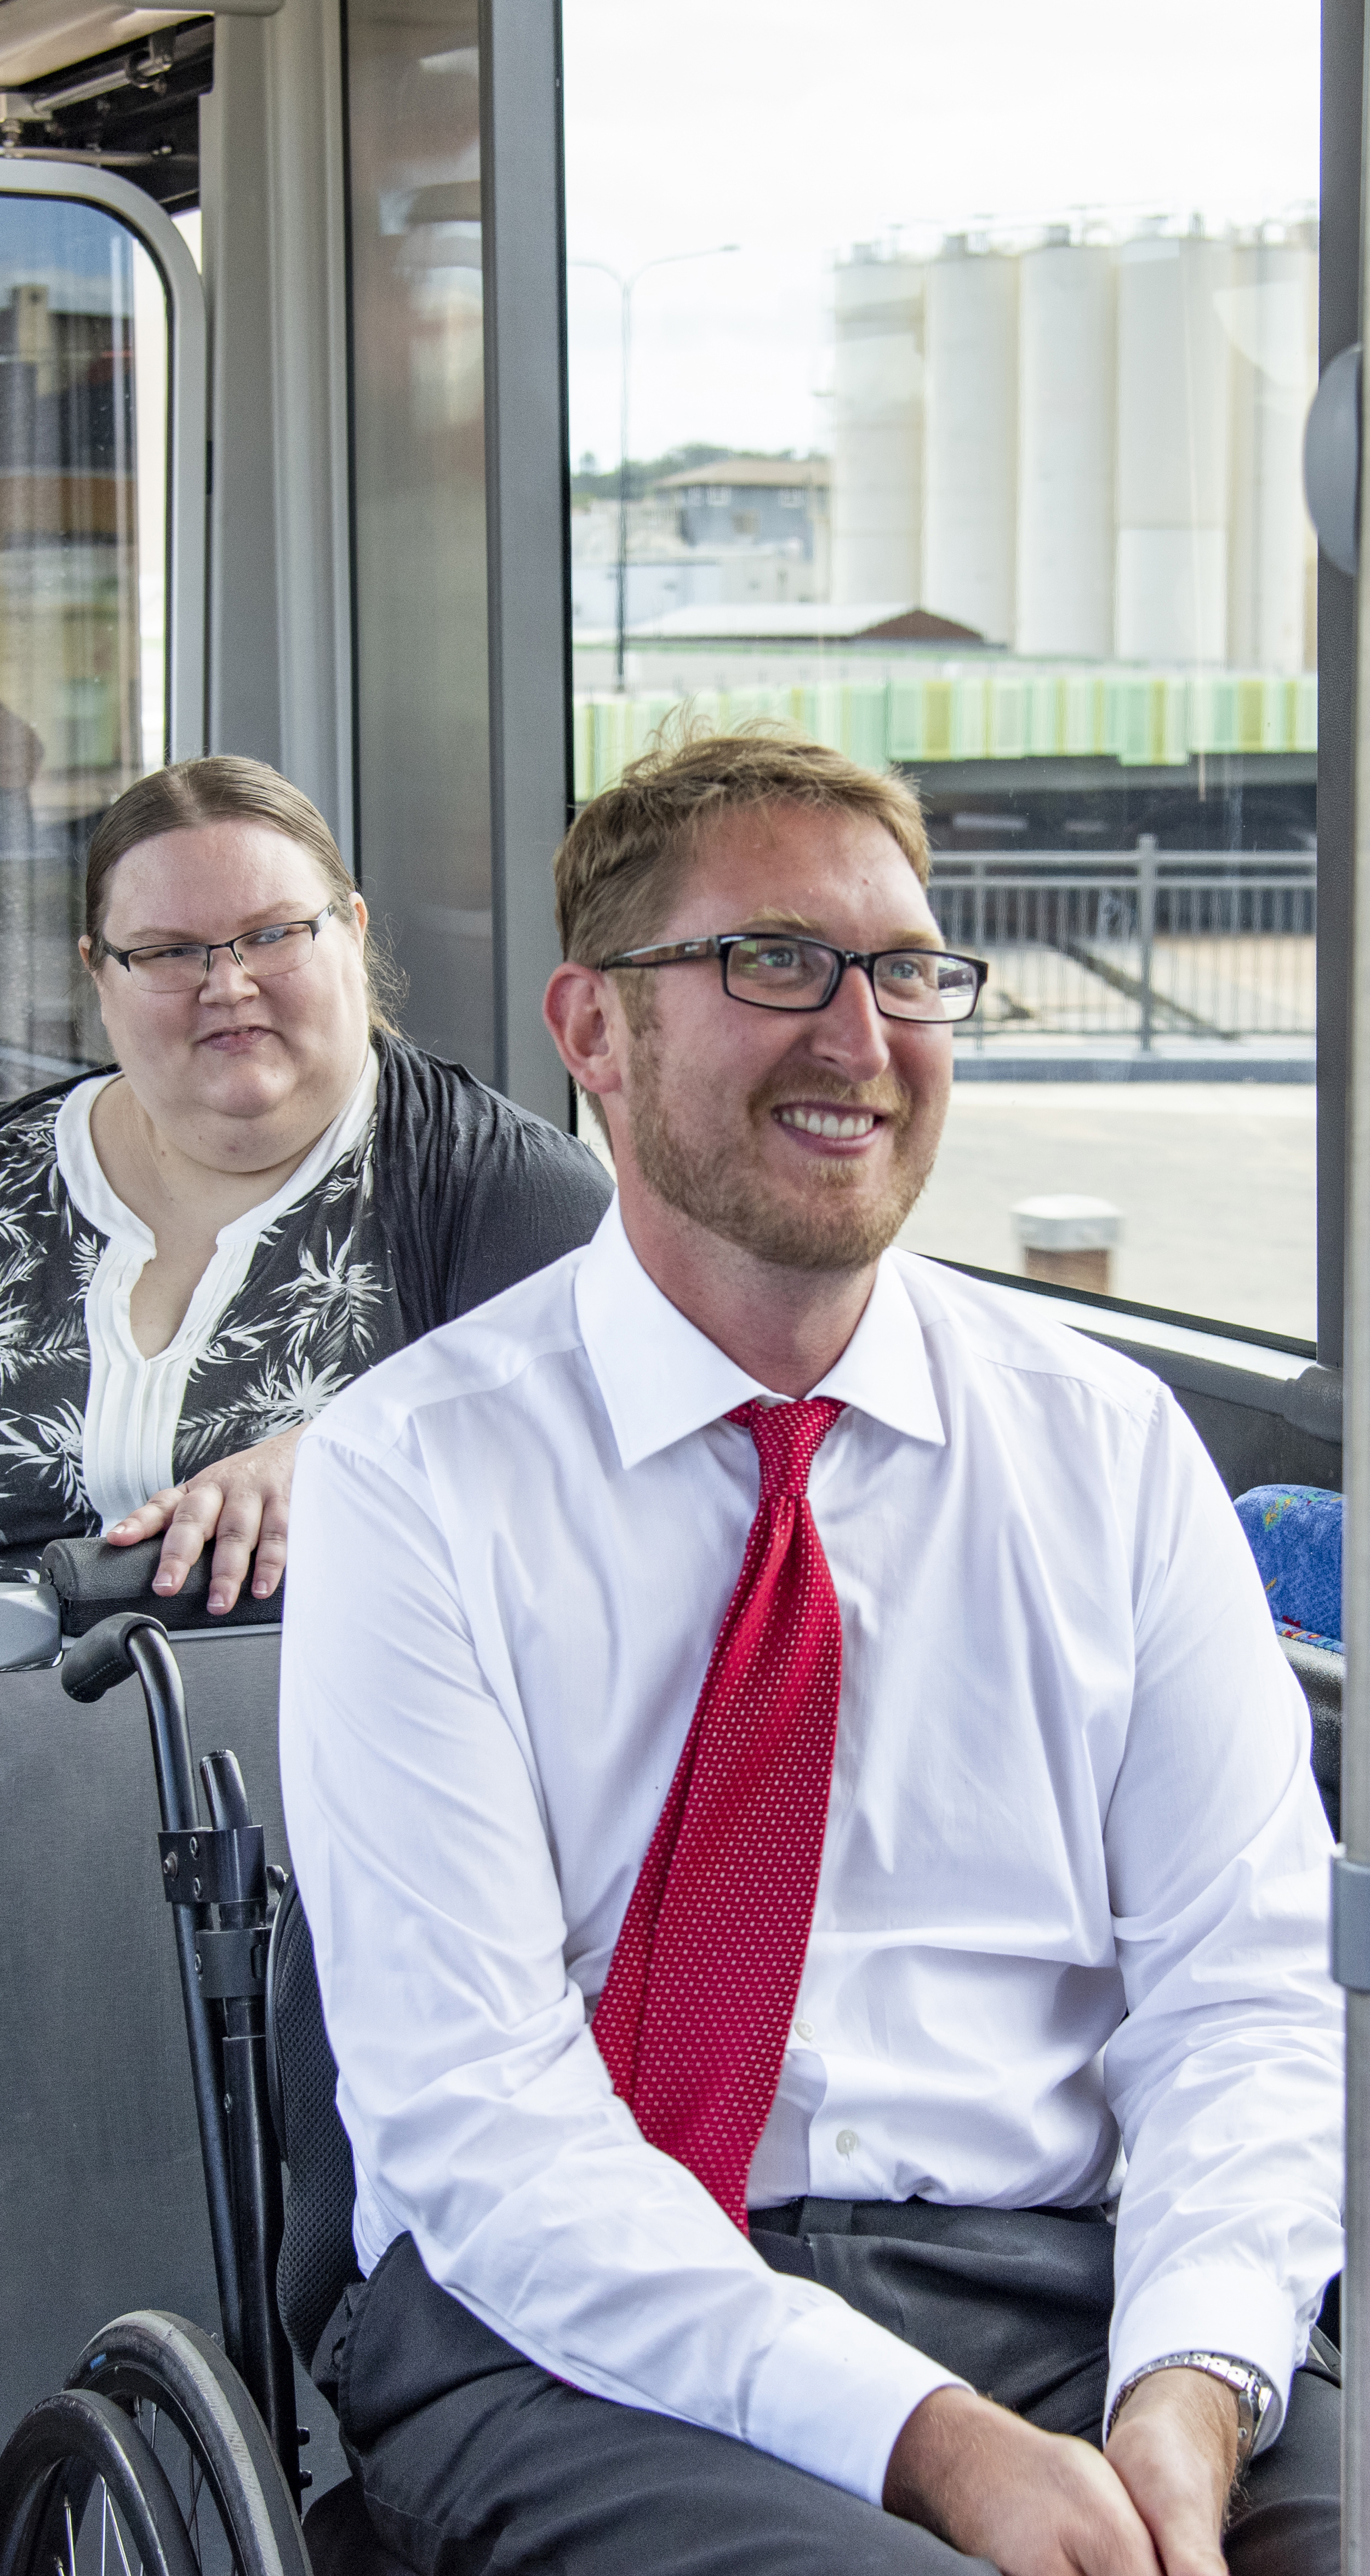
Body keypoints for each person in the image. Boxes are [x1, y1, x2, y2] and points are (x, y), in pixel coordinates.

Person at [280, 729, 1341, 2576]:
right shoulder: (416, 1478)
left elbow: (1239, 2000)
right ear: (594, 1031)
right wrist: (934, 2449)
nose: (860, 1036)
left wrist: (1192, 2380)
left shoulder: (1108, 1450)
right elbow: (484, 2125)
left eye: (909, 971)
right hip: (578, 2326)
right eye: (775, 961)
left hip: (1072, 2288)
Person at [0, 755, 610, 1600]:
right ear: (98, 972)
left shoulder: (510, 1195)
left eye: (273, 933)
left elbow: (618, 1497)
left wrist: (362, 1452)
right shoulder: (12, 1178)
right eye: (170, 950)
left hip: (351, 1719)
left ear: (353, 931)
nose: (229, 983)